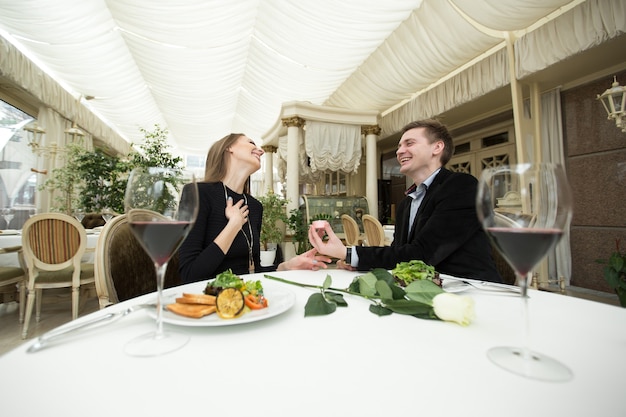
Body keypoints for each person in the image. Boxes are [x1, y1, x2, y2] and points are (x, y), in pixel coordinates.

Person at [309, 119, 501, 283]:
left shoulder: (461, 186)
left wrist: (348, 253)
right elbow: (400, 255)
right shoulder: (406, 205)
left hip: (474, 291)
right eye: (400, 146)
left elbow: (422, 255)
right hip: (423, 291)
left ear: (437, 147)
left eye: (409, 144)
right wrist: (358, 263)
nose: (400, 151)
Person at [179, 133, 331, 284]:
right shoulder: (197, 194)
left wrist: (286, 266)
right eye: (251, 143)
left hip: (245, 299)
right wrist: (233, 226)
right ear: (229, 147)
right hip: (207, 301)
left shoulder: (255, 206)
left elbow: (253, 271)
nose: (261, 151)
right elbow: (190, 274)